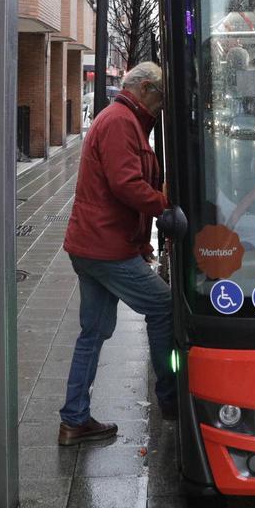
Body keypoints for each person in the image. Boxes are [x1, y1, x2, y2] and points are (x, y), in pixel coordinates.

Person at [59, 61, 176, 445]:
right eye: (159, 96)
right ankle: (171, 397)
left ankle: (74, 419)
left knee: (92, 333)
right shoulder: (120, 122)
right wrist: (165, 206)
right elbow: (127, 185)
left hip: (96, 244)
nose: (161, 105)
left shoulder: (123, 119)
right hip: (105, 247)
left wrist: (142, 244)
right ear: (144, 88)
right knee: (162, 306)